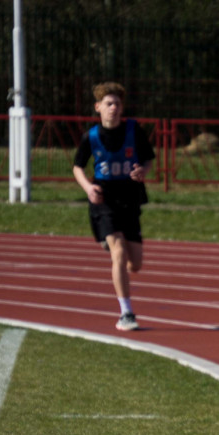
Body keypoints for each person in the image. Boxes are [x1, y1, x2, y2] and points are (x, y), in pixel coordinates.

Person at [71, 82, 156, 331]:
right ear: (98, 107)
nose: (114, 108)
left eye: (117, 103)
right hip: (104, 199)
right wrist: (88, 188)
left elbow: (148, 159)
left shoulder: (133, 130)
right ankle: (126, 313)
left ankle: (114, 250)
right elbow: (77, 167)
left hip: (129, 199)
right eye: (109, 103)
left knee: (135, 264)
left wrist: (143, 171)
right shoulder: (92, 137)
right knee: (118, 252)